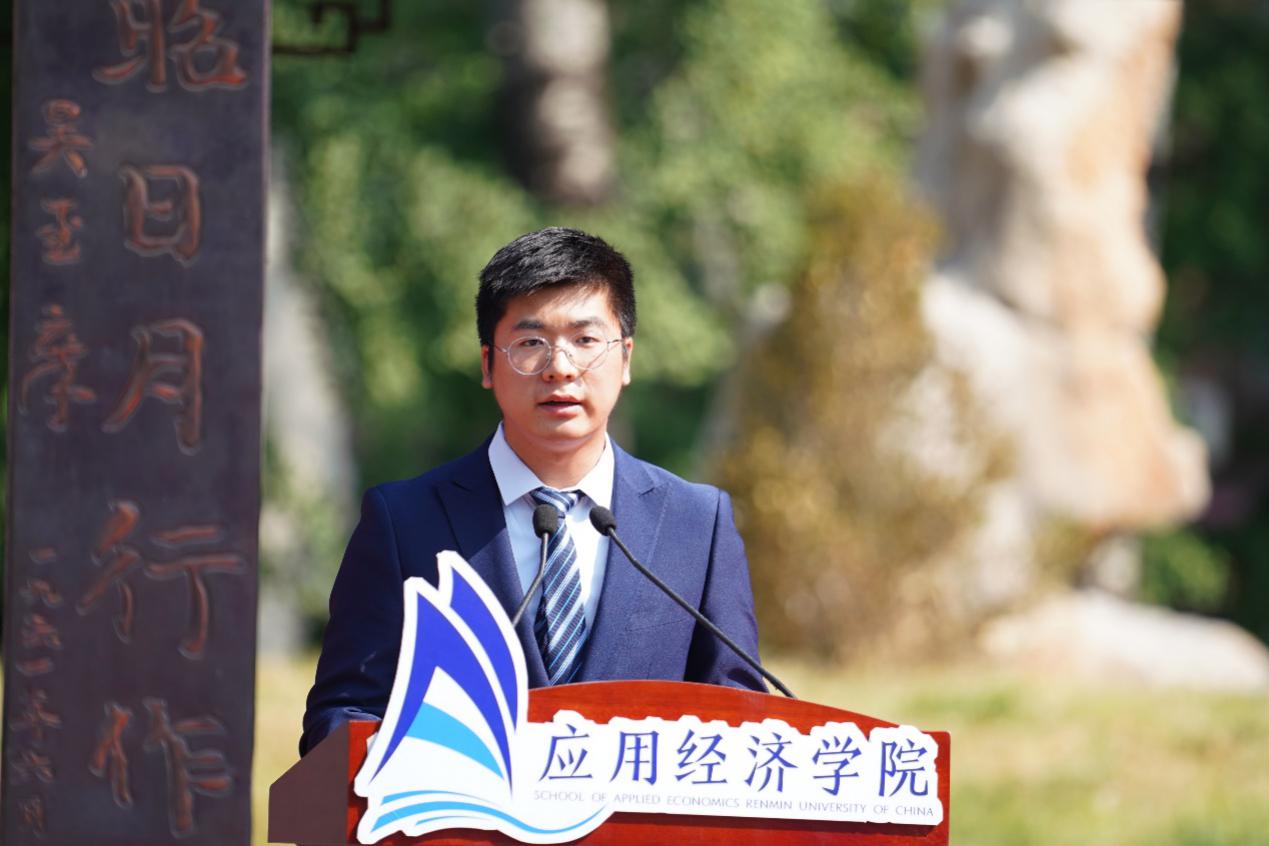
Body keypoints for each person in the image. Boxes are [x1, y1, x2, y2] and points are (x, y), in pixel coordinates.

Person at [300, 227, 763, 755]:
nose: (560, 368)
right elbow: (344, 713)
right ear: (487, 364)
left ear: (626, 359)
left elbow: (742, 718)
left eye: (586, 341)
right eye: (530, 343)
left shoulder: (696, 524)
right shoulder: (404, 522)